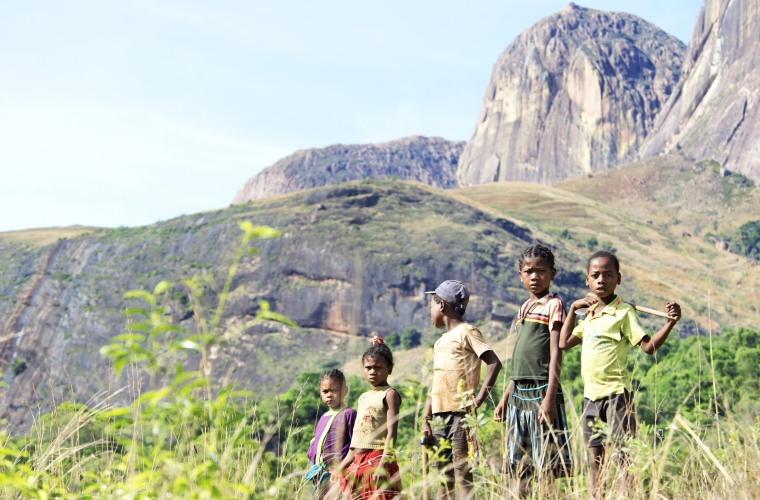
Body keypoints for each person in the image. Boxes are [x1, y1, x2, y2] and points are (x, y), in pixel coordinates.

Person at [559, 250, 681, 498]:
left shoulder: (624, 313)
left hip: (617, 397)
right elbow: (563, 343)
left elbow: (648, 347)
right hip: (590, 399)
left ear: (619, 279)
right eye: (595, 275)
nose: (601, 280)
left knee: (622, 459)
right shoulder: (590, 315)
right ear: (587, 280)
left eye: (608, 274)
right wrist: (573, 308)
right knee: (595, 463)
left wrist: (670, 323)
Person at [494, 245, 572, 496]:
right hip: (519, 395)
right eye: (529, 271)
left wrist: (550, 397)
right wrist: (506, 397)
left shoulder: (554, 305)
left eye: (541, 271)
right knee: (520, 464)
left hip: (541, 391)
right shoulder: (524, 308)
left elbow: (555, 351)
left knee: (546, 464)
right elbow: (519, 363)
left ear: (553, 273)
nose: (535, 276)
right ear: (520, 275)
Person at [422, 280, 502, 500]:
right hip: (438, 416)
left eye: (431, 305)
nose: (430, 312)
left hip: (460, 414)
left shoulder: (468, 332)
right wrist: (425, 417)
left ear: (441, 305)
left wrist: (477, 400)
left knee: (462, 471)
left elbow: (494, 363)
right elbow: (435, 381)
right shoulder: (440, 343)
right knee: (442, 473)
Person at [338, 338, 403, 500]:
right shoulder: (363, 397)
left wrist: (382, 464)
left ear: (390, 369)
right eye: (368, 367)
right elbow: (357, 438)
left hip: (377, 458)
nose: (373, 371)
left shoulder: (390, 394)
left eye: (378, 367)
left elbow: (391, 433)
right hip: (358, 460)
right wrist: (344, 464)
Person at [306, 369, 357, 499]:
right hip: (319, 475)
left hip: (337, 476)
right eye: (325, 391)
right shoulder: (323, 417)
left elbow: (355, 446)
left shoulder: (349, 414)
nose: (329, 395)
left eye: (334, 390)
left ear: (345, 391)